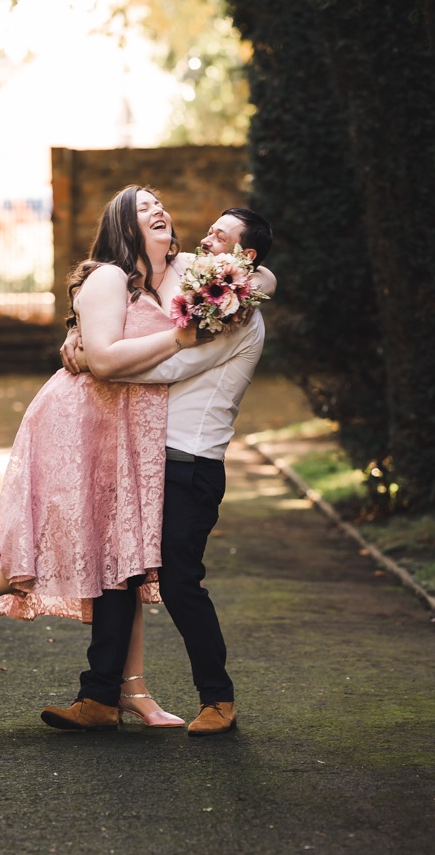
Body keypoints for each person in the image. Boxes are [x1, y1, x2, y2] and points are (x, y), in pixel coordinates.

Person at [0, 185, 230, 729]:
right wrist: (180, 339)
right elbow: (107, 362)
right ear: (121, 225)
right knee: (49, 538)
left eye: (159, 202)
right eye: (142, 207)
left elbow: (261, 277)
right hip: (82, 421)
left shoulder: (185, 273)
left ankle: (128, 692)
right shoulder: (110, 276)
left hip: (131, 429)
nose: (157, 209)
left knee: (125, 556)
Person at [56, 204, 275, 737]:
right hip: (148, 454)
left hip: (190, 463)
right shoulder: (207, 293)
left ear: (243, 256)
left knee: (180, 580)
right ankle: (98, 698)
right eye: (208, 232)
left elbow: (174, 365)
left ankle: (218, 700)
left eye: (220, 237)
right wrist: (83, 336)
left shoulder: (234, 311)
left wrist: (94, 360)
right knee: (119, 571)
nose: (206, 242)